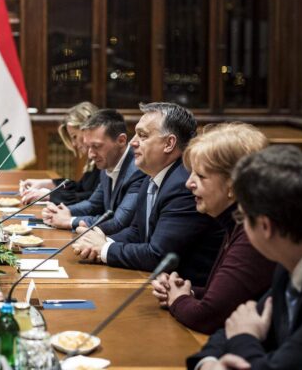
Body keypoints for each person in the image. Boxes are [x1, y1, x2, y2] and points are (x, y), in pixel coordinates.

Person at [187, 145, 302, 369]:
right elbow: (236, 323)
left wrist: (243, 338)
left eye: (241, 216)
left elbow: (249, 338)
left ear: (265, 226)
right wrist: (208, 362)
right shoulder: (294, 255)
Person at [72, 102, 223, 287]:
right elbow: (137, 232)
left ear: (169, 144)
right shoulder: (151, 176)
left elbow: (158, 255)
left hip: (187, 291)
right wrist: (99, 242)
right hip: (154, 284)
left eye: (143, 135)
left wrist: (104, 248)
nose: (133, 142)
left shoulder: (183, 185)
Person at [151, 123, 276, 334]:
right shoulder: (235, 221)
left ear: (233, 185)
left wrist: (178, 299)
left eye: (200, 176)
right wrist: (182, 291)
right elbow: (225, 297)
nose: (188, 183)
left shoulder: (254, 234)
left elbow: (207, 316)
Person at [42, 109, 146, 235]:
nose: (90, 155)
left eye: (96, 146)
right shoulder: (107, 162)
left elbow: (118, 222)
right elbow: (93, 204)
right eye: (88, 146)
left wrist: (70, 221)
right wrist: (62, 211)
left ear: (121, 140)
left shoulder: (137, 170)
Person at [20, 102, 101, 206]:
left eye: (74, 137)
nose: (73, 144)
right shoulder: (93, 160)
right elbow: (80, 187)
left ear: (87, 129)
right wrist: (49, 183)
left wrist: (50, 195)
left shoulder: (103, 159)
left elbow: (93, 198)